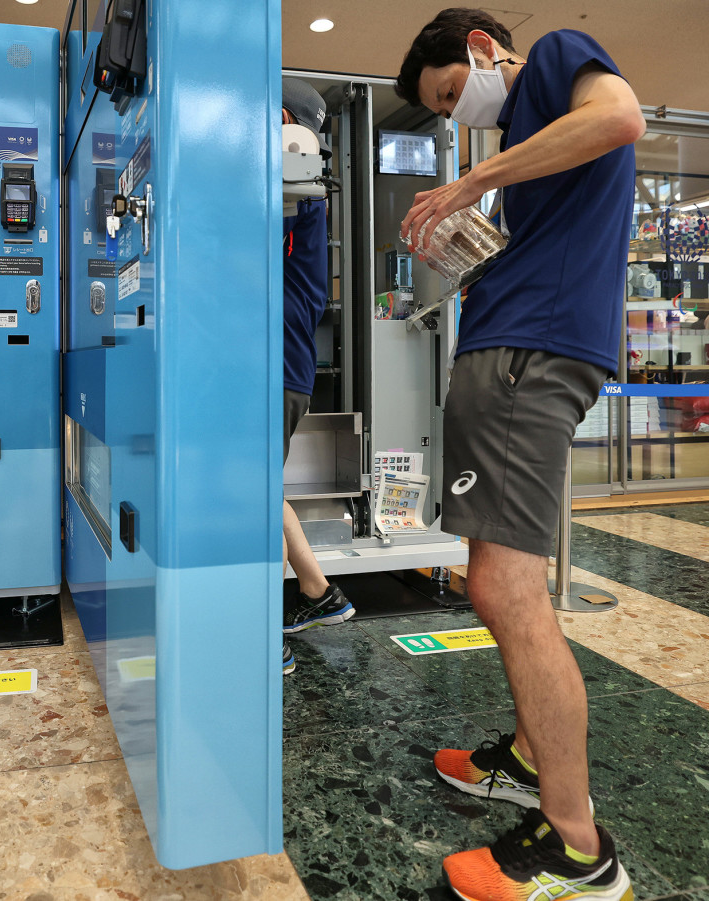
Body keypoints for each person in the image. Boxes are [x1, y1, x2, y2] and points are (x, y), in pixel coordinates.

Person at [395, 8, 644, 901]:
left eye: (454, 93)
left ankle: (578, 847)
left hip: (531, 352)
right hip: (517, 339)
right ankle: (530, 755)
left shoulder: (556, 63)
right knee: (492, 570)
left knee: (505, 584)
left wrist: (468, 186)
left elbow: (619, 117)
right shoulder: (526, 134)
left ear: (480, 50)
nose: (461, 115)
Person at [280, 78, 355, 677]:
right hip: (281, 370)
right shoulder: (296, 184)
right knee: (257, 492)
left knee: (244, 499)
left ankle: (256, 631)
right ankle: (317, 592)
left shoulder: (294, 181)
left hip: (271, 370)